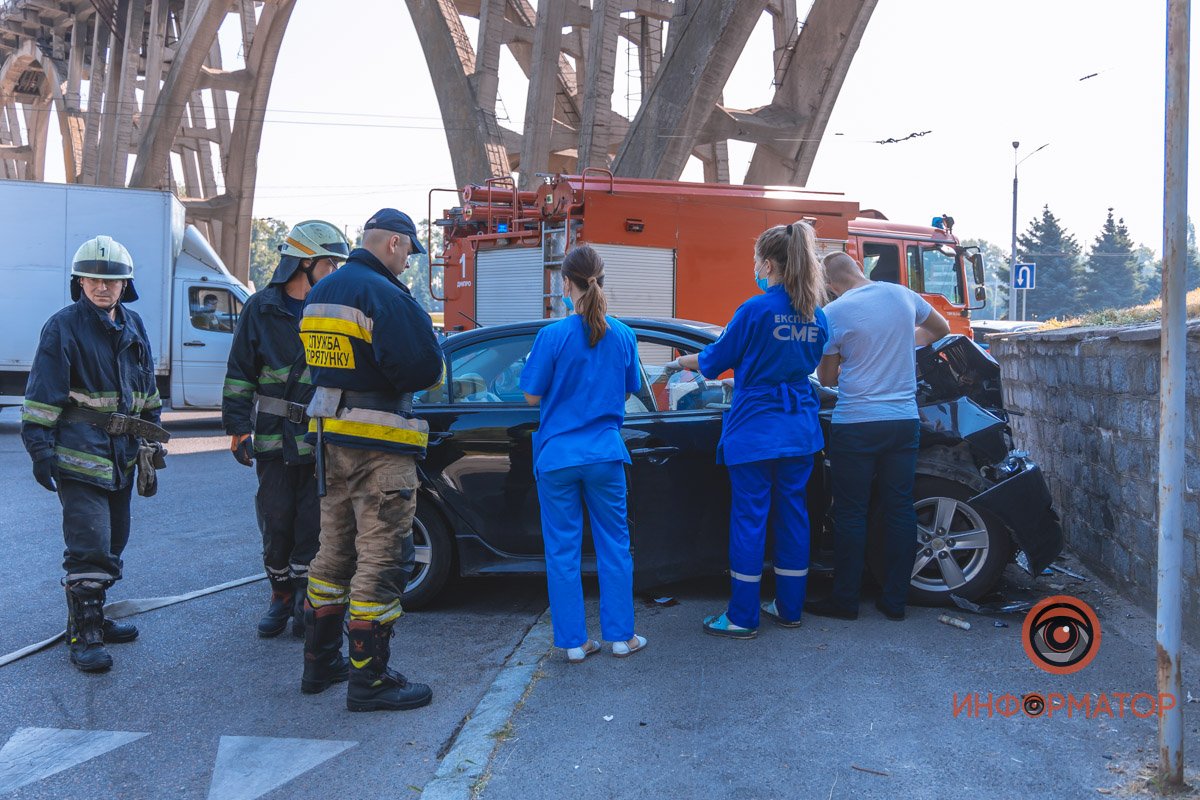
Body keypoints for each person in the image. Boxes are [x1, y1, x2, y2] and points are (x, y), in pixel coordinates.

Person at [299, 208, 443, 712]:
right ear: (395, 245)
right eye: (409, 254)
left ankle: (320, 663)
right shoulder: (384, 295)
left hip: (330, 442)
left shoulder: (320, 292)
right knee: (382, 558)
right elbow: (421, 369)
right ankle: (371, 681)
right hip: (380, 447)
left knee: (332, 553)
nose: (408, 265)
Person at [666, 221, 829, 638]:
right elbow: (797, 365)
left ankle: (742, 616)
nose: (754, 267)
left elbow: (716, 357)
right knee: (794, 516)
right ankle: (790, 608)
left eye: (757, 260)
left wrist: (680, 363)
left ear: (770, 264)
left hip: (756, 426)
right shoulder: (816, 313)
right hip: (798, 428)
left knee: (750, 519)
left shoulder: (754, 309)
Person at [21, 235, 169, 672]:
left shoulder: (134, 324)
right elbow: (42, 394)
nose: (102, 287)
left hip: (123, 455)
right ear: (79, 282)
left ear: (126, 285)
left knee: (114, 541)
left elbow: (145, 384)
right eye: (92, 279)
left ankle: (98, 619)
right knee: (90, 544)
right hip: (78, 454)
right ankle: (83, 636)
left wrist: (153, 428)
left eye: (111, 280)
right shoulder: (62, 326)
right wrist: (40, 449)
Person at [222, 220, 349, 639]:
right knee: (277, 519)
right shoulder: (261, 308)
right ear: (305, 262)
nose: (336, 272)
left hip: (318, 438)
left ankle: (302, 598)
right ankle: (279, 594)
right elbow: (240, 372)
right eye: (331, 263)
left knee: (313, 524)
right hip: (275, 436)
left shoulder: (332, 309)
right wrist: (238, 429)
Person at [807, 251, 950, 621]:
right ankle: (895, 600)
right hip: (903, 420)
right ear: (858, 268)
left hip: (856, 422)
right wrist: (905, 342)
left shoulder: (833, 314)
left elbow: (827, 380)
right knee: (900, 508)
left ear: (828, 283)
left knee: (851, 512)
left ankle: (845, 600)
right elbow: (941, 330)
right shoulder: (902, 295)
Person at [520, 244, 647, 662]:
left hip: (557, 457)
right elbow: (630, 388)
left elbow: (530, 394)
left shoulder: (551, 335)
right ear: (602, 280)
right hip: (605, 455)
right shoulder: (623, 335)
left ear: (565, 283)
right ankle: (621, 637)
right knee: (614, 545)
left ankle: (574, 643)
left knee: (562, 549)